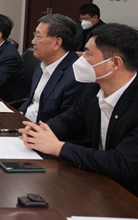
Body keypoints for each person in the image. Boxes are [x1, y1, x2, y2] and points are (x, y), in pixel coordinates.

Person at [21, 24, 138, 196]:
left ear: (114, 63)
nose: (80, 58)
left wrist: (59, 148)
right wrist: (39, 132)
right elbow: (69, 122)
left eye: (88, 53)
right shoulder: (93, 89)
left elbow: (122, 163)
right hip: (100, 182)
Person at [19, 14, 86, 123]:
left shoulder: (76, 76)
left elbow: (66, 122)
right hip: (24, 122)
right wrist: (18, 114)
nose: (33, 41)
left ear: (57, 43)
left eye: (38, 37)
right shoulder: (42, 64)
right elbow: (32, 101)